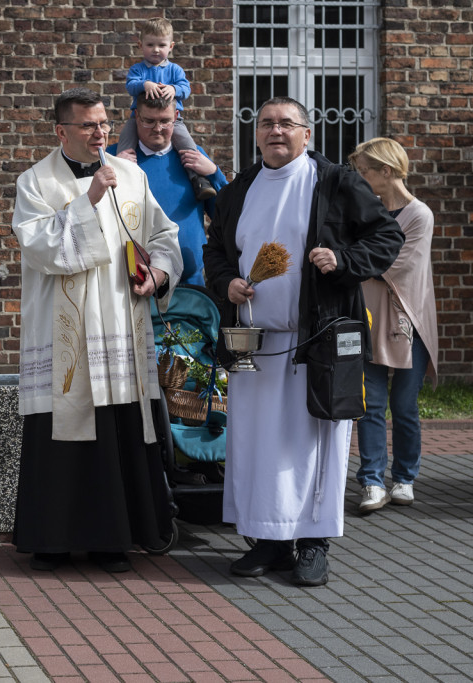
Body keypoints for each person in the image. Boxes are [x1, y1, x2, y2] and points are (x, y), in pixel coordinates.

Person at [203, 97, 404, 587]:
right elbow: (215, 252)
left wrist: (342, 260)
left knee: (314, 444)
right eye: (266, 123)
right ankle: (270, 542)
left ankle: (313, 543)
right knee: (258, 445)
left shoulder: (334, 181)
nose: (276, 131)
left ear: (306, 134)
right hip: (256, 343)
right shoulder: (240, 189)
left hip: (317, 340)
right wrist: (227, 282)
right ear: (256, 134)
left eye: (286, 124)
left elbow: (386, 237)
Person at [10, 87, 183, 573]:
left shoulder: (131, 175)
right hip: (65, 334)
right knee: (62, 434)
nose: (99, 133)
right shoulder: (35, 182)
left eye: (104, 124)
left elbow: (163, 235)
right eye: (88, 126)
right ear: (61, 131)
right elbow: (39, 249)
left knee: (120, 430)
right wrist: (89, 198)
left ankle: (116, 540)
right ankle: (53, 540)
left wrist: (161, 273)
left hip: (122, 326)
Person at [348, 138, 439, 513]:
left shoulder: (420, 215)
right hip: (368, 318)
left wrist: (351, 263)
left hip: (408, 322)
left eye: (365, 171)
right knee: (370, 405)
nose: (361, 178)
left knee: (404, 406)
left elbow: (396, 266)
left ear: (386, 171)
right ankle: (371, 481)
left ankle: (404, 477)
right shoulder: (364, 210)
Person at [116, 96, 228, 286]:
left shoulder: (194, 158)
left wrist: (214, 174)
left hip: (191, 285)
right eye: (149, 121)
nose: (157, 128)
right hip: (134, 285)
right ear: (136, 116)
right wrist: (117, 171)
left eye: (165, 121)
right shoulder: (117, 158)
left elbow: (226, 215)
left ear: (176, 117)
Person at [117, 17, 216, 202]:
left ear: (171, 46)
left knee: (188, 147)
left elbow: (186, 89)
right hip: (136, 118)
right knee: (125, 144)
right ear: (140, 45)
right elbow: (130, 86)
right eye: (150, 44)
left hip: (174, 121)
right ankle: (122, 178)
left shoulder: (175, 70)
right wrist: (144, 84)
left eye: (161, 45)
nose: (156, 49)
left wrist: (174, 89)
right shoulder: (137, 69)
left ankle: (198, 180)